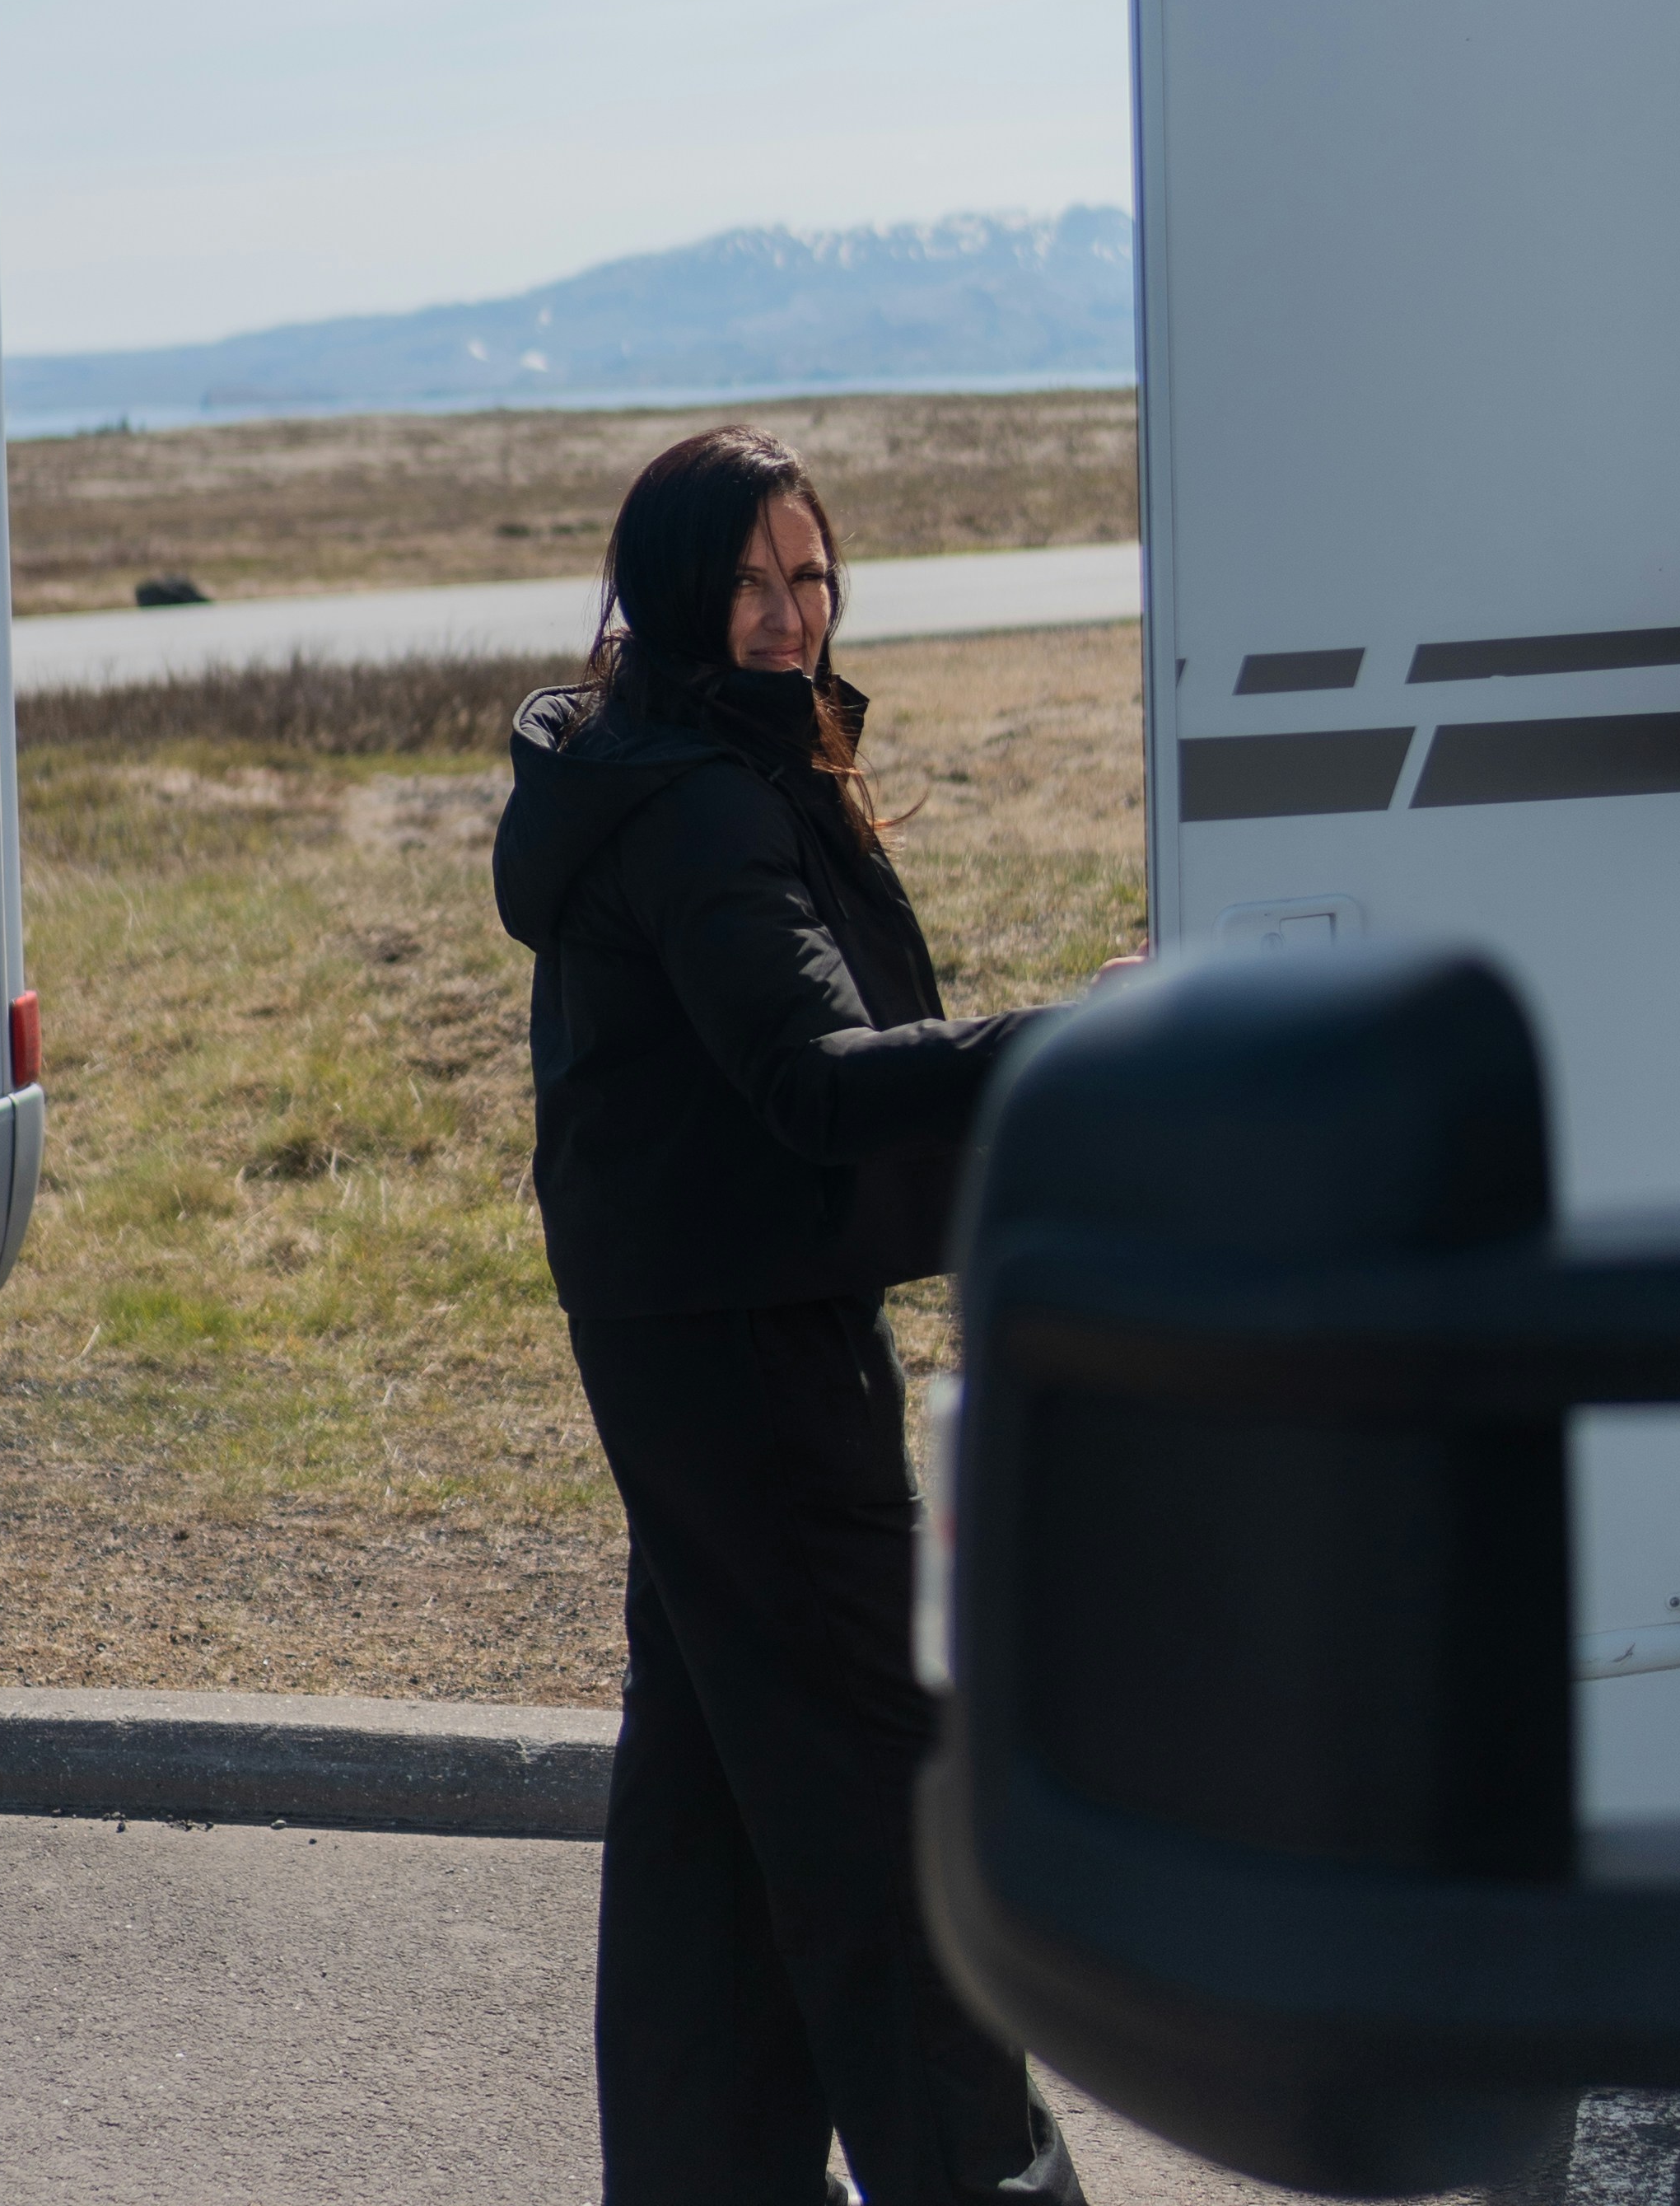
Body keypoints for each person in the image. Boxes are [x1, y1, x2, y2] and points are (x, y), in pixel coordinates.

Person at [493, 425, 1088, 2206]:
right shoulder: (694, 803)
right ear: (671, 596)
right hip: (744, 1350)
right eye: (746, 581)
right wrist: (1083, 1039)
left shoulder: (665, 766)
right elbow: (817, 1079)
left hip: (693, 1326)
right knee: (873, 1791)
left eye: (809, 575)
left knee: (705, 1799)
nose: (785, 613)